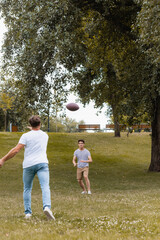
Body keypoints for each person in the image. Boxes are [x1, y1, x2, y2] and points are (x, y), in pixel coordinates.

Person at [0, 115, 55, 220]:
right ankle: (47, 207)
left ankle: (28, 213)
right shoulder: (45, 135)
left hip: (28, 165)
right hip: (42, 163)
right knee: (45, 187)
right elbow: (37, 131)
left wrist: (3, 159)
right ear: (40, 124)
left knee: (27, 189)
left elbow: (16, 150)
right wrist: (33, 128)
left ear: (30, 125)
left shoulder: (25, 136)